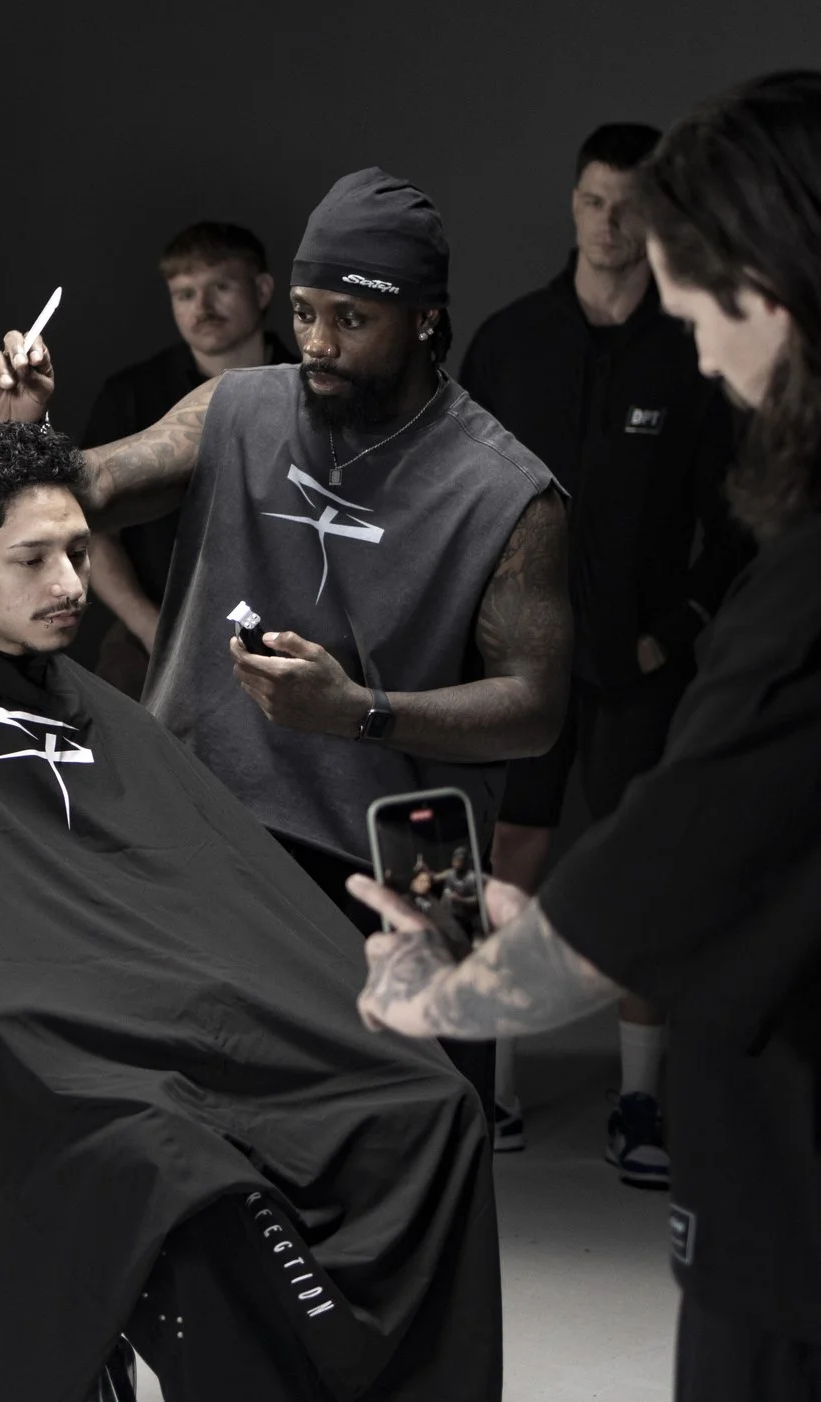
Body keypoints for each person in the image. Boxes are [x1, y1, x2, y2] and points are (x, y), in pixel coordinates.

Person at [0, 420, 502, 1402]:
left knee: (425, 1100)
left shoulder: (94, 706)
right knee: (169, 1161)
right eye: (30, 559)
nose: (70, 583)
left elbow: (199, 885)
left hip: (161, 1015)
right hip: (25, 1055)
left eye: (78, 552)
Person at [352, 71, 818, 1402]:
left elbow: (647, 892)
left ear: (770, 282)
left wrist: (430, 993)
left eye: (691, 273)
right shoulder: (514, 343)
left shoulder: (801, 587)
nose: (677, 310)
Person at [0, 168, 575, 1127]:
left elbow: (537, 710)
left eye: (351, 319)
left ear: (424, 319)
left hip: (408, 859)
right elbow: (92, 486)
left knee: (417, 1149)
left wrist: (360, 714)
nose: (319, 345)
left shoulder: (510, 492)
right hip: (211, 824)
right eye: (303, 313)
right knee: (201, 1146)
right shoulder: (239, 408)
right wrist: (28, 430)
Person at [457, 121, 754, 1174]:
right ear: (571, 203)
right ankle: (487, 1090)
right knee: (510, 861)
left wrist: (672, 631)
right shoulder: (508, 341)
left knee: (643, 873)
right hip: (518, 663)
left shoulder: (692, 351)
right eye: (593, 200)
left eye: (629, 204)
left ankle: (639, 1103)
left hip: (638, 667)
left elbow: (738, 517)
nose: (609, 222)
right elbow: (450, 500)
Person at [81, 221, 299, 697]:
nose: (202, 308)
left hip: (288, 628)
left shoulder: (311, 385)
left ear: (262, 290)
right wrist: (151, 628)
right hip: (153, 626)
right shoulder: (131, 394)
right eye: (184, 294)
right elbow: (95, 533)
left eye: (220, 287)